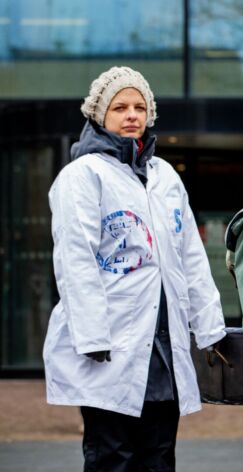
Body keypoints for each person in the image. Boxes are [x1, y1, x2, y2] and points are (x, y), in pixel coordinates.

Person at [43, 66, 227, 471]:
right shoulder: (83, 175)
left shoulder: (165, 177)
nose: (131, 115)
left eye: (140, 107)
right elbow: (75, 259)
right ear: (99, 114)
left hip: (162, 346)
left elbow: (191, 256)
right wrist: (92, 334)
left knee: (159, 456)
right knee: (113, 456)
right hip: (111, 345)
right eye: (120, 107)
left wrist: (210, 326)